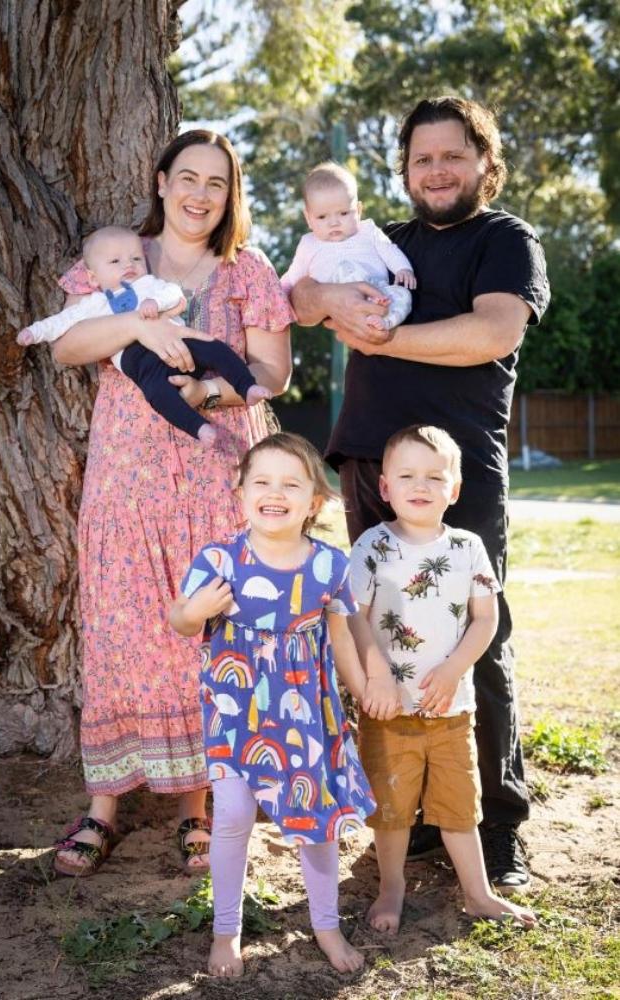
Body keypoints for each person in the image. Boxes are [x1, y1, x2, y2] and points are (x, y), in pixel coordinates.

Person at [290, 96, 551, 892]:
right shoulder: (374, 240)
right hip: (368, 463)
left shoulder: (505, 240)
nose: (436, 171)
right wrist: (331, 302)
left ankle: (493, 825)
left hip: (453, 475)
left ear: (484, 163)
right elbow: (297, 299)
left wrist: (384, 335)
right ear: (403, 172)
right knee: (380, 641)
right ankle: (409, 819)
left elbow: (494, 332)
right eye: (421, 159)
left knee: (477, 640)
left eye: (451, 156)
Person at [50, 130, 293, 877]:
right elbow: (65, 347)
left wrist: (204, 391)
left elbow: (272, 374)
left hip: (215, 478)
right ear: (161, 182)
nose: (199, 194)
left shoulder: (247, 270)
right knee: (121, 632)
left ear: (230, 195)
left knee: (206, 636)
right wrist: (134, 326)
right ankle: (102, 808)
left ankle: (199, 808)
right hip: (126, 480)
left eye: (216, 183)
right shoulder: (119, 258)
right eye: (187, 177)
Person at [170, 432, 392, 977]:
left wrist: (364, 692)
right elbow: (180, 621)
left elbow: (341, 640)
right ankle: (227, 932)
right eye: (262, 482)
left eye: (291, 483)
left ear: (314, 501)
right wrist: (194, 609)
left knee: (316, 822)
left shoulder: (329, 567)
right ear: (240, 492)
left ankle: (326, 924)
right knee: (234, 816)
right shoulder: (219, 558)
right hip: (234, 711)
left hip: (306, 718)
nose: (276, 493)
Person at [350, 425, 537, 932]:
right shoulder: (372, 546)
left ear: (454, 490)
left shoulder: (468, 547)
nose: (421, 484)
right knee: (390, 809)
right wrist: (378, 677)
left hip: (451, 708)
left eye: (435, 476)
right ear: (385, 487)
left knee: (460, 806)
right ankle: (391, 888)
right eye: (407, 474)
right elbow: (354, 618)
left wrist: (455, 669)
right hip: (388, 709)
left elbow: (486, 619)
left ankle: (478, 894)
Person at [18, 226, 272, 447]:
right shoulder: (93, 304)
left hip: (179, 342)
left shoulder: (148, 284)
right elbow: (60, 324)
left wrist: (154, 301)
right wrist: (34, 332)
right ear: (93, 277)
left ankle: (246, 386)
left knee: (215, 349)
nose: (128, 265)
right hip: (138, 359)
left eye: (136, 258)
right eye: (115, 262)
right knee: (156, 393)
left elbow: (173, 294)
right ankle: (198, 428)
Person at [281, 162, 416, 331]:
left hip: (378, 291)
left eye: (344, 213)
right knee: (344, 268)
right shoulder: (309, 244)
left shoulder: (368, 231)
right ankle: (372, 316)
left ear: (358, 210)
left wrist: (403, 268)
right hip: (341, 299)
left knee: (403, 295)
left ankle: (385, 321)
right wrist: (278, 292)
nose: (334, 222)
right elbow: (294, 275)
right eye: (322, 217)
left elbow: (389, 249)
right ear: (308, 218)